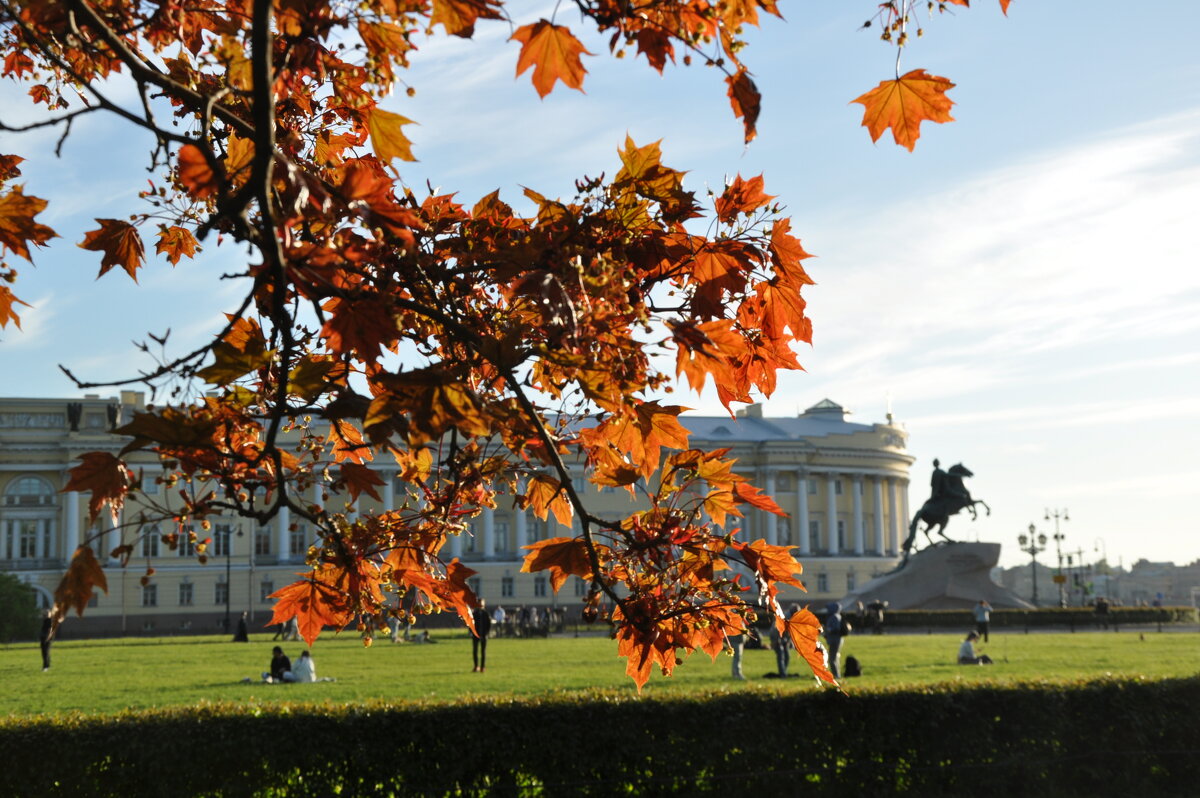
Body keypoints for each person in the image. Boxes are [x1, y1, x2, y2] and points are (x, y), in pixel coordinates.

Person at [822, 602, 850, 679]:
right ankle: (837, 674)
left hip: (835, 640)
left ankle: (836, 675)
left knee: (832, 659)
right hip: (837, 640)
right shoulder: (837, 616)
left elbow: (835, 629)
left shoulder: (834, 617)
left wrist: (827, 629)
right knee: (835, 658)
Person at [472, 599, 492, 672]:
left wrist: (486, 633)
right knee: (475, 651)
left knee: (483, 651)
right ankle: (476, 666)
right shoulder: (475, 613)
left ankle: (482, 667)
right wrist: (472, 632)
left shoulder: (486, 614)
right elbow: (471, 623)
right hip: (475, 635)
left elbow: (489, 625)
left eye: (482, 604)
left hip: (484, 635)